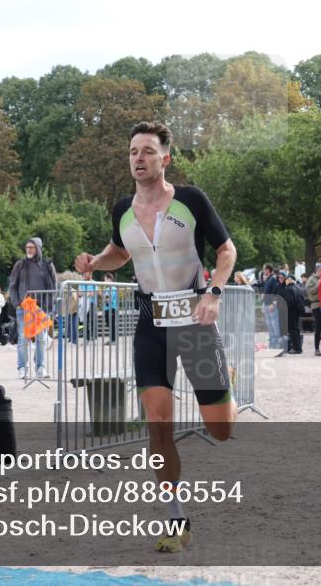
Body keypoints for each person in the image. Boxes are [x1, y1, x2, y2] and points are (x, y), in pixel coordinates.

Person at [73, 121, 237, 553]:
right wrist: (95, 262)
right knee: (157, 423)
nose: (138, 159)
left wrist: (214, 293)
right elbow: (121, 251)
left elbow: (226, 250)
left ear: (166, 158)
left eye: (147, 151)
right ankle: (176, 518)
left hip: (194, 320)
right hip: (150, 323)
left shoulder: (191, 200)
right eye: (132, 151)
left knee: (221, 430)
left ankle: (225, 380)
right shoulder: (122, 209)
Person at [8, 237, 58, 378]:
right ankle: (22, 368)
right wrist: (17, 303)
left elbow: (54, 286)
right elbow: (13, 285)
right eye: (27, 247)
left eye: (32, 247)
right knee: (23, 338)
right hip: (24, 308)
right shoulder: (20, 265)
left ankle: (40, 367)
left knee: (41, 339)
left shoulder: (48, 265)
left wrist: (48, 307)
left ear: (38, 248)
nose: (29, 250)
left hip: (41, 308)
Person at [260, 264, 282, 349]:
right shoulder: (268, 279)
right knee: (270, 327)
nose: (263, 271)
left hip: (272, 306)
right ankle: (272, 345)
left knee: (275, 326)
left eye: (264, 269)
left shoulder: (273, 279)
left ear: (268, 270)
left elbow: (277, 291)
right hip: (267, 305)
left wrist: (274, 303)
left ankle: (278, 346)